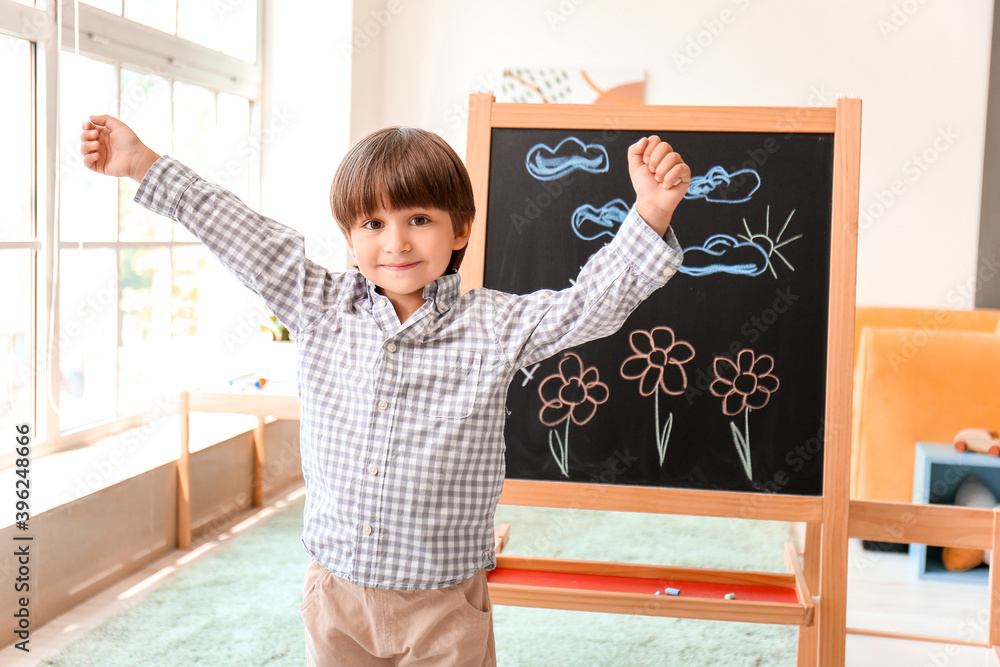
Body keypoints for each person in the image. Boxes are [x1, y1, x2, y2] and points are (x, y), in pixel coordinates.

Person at [80, 113, 691, 666]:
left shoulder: (497, 324)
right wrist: (142, 163)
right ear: (349, 238)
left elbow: (591, 305)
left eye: (418, 219)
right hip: (336, 593)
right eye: (373, 223)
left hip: (444, 603)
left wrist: (651, 214)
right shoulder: (318, 305)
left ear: (461, 230)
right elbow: (242, 232)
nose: (395, 242)